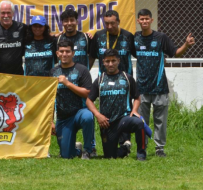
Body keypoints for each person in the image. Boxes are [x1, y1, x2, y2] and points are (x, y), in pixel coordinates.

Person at [135, 9, 195, 157]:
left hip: (159, 86)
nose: (144, 21)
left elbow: (175, 53)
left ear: (151, 20)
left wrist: (186, 45)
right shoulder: (135, 38)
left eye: (147, 19)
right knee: (141, 120)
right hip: (141, 87)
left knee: (160, 120)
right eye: (141, 19)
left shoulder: (161, 37)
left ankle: (159, 148)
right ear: (138, 21)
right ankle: (142, 147)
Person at [86, 49, 147, 161]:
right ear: (103, 62)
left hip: (125, 118)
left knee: (139, 123)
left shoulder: (127, 78)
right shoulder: (99, 80)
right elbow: (89, 101)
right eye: (107, 61)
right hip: (107, 122)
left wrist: (134, 110)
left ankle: (141, 154)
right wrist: (98, 115)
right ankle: (124, 149)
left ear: (118, 61)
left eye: (113, 61)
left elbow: (137, 97)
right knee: (110, 156)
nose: (110, 64)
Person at [56, 9, 97, 156]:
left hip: (80, 85)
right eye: (66, 21)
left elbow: (92, 55)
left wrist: (82, 72)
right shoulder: (58, 39)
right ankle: (75, 147)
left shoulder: (86, 38)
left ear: (77, 21)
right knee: (66, 155)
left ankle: (90, 147)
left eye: (72, 20)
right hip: (64, 111)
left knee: (87, 116)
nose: (69, 23)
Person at [50, 40, 94, 159]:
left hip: (79, 112)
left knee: (88, 117)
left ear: (73, 53)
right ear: (57, 53)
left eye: (68, 51)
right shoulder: (53, 72)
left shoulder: (82, 69)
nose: (65, 54)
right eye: (62, 51)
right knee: (66, 155)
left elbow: (87, 93)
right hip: (63, 118)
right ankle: (76, 150)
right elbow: (50, 99)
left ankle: (88, 150)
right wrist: (50, 121)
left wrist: (67, 83)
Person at [0, 0, 27, 75]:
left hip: (17, 76)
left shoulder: (22, 28)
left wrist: (54, 37)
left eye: (8, 13)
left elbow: (38, 34)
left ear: (13, 14)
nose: (6, 16)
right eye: (3, 13)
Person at [89, 10, 135, 75]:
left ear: (118, 22)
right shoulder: (98, 35)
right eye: (106, 23)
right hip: (104, 80)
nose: (109, 26)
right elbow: (91, 57)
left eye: (112, 23)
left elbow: (138, 55)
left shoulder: (128, 36)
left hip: (125, 79)